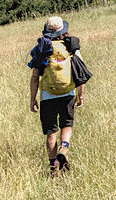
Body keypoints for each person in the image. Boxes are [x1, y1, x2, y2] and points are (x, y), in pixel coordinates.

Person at [29, 16, 87, 176]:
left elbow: (35, 77)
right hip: (68, 92)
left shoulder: (41, 48)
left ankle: (53, 167)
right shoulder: (71, 46)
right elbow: (79, 74)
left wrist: (32, 98)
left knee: (51, 131)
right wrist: (80, 96)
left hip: (47, 95)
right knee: (67, 124)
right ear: (63, 30)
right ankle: (65, 147)